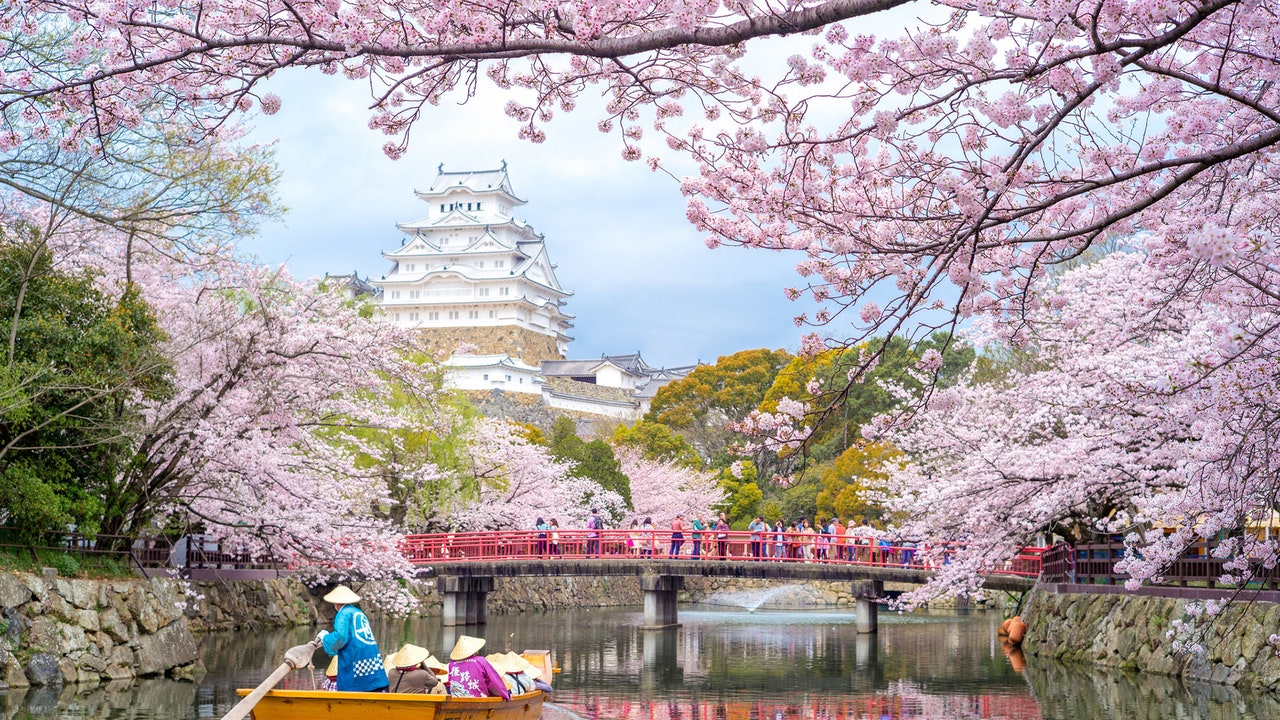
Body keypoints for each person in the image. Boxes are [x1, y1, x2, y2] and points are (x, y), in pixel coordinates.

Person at [317, 585, 389, 692]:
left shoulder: (343, 613)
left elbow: (340, 636)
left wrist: (325, 638)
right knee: (372, 679)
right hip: (370, 651)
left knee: (355, 682)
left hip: (355, 653)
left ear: (336, 603)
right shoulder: (359, 612)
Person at [447, 635, 511, 700]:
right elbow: (494, 680)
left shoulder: (451, 664)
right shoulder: (480, 661)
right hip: (479, 701)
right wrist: (505, 694)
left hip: (456, 701)